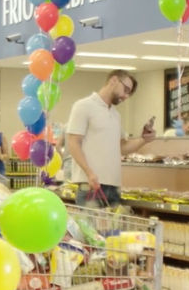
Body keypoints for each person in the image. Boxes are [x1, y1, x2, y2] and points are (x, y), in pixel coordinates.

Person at [66, 70, 155, 207]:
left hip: (114, 187)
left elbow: (122, 147)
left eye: (128, 93)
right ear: (113, 80)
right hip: (90, 185)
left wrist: (144, 140)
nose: (125, 96)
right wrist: (89, 173)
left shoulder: (116, 115)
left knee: (112, 229)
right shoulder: (83, 106)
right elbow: (73, 143)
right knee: (90, 228)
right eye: (125, 90)